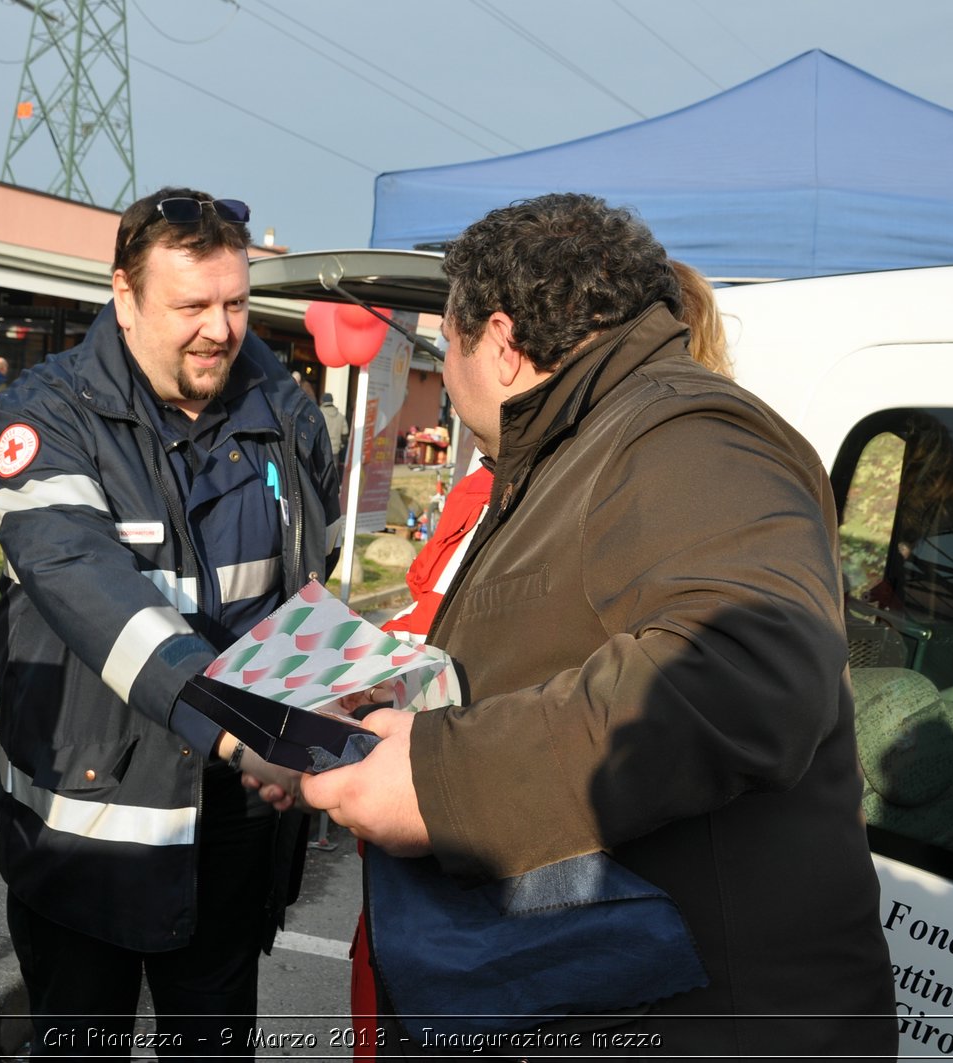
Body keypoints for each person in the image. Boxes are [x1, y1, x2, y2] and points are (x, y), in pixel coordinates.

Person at [302, 194, 896, 1058]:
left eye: (449, 342)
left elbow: (751, 668)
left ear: (501, 343)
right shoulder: (580, 445)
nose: (448, 365)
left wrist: (443, 780)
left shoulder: (686, 436)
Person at [343, 254, 744, 1057]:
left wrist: (445, 763)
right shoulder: (490, 487)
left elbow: (646, 694)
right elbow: (440, 628)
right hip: (423, 869)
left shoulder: (664, 484)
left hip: (521, 903)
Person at [0, 186, 340, 1057]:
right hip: (91, 829)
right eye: (191, 306)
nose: (221, 329)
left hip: (235, 825)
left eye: (236, 302)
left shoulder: (286, 413)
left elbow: (309, 588)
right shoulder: (45, 415)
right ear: (124, 294)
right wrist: (240, 724)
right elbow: (86, 586)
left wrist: (314, 718)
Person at [318, 391, 349, 465]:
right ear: (332, 401)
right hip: (335, 449)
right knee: (334, 472)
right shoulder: (340, 416)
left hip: (321, 449)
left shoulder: (319, 413)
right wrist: (341, 444)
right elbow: (345, 432)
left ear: (322, 401)